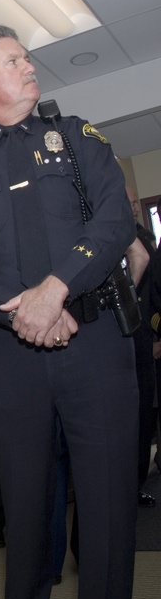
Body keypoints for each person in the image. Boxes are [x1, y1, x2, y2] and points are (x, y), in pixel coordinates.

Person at [0, 24, 138, 599]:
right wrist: (28, 310)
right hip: (11, 358)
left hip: (95, 340)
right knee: (24, 509)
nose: (30, 66)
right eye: (15, 60)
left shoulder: (78, 138)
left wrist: (56, 289)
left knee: (105, 505)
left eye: (27, 58)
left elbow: (113, 222)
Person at [127, 186, 159, 508]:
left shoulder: (143, 240)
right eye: (130, 202)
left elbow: (152, 297)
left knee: (144, 420)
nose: (135, 206)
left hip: (143, 342)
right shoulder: (107, 240)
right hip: (118, 346)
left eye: (137, 202)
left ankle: (136, 485)